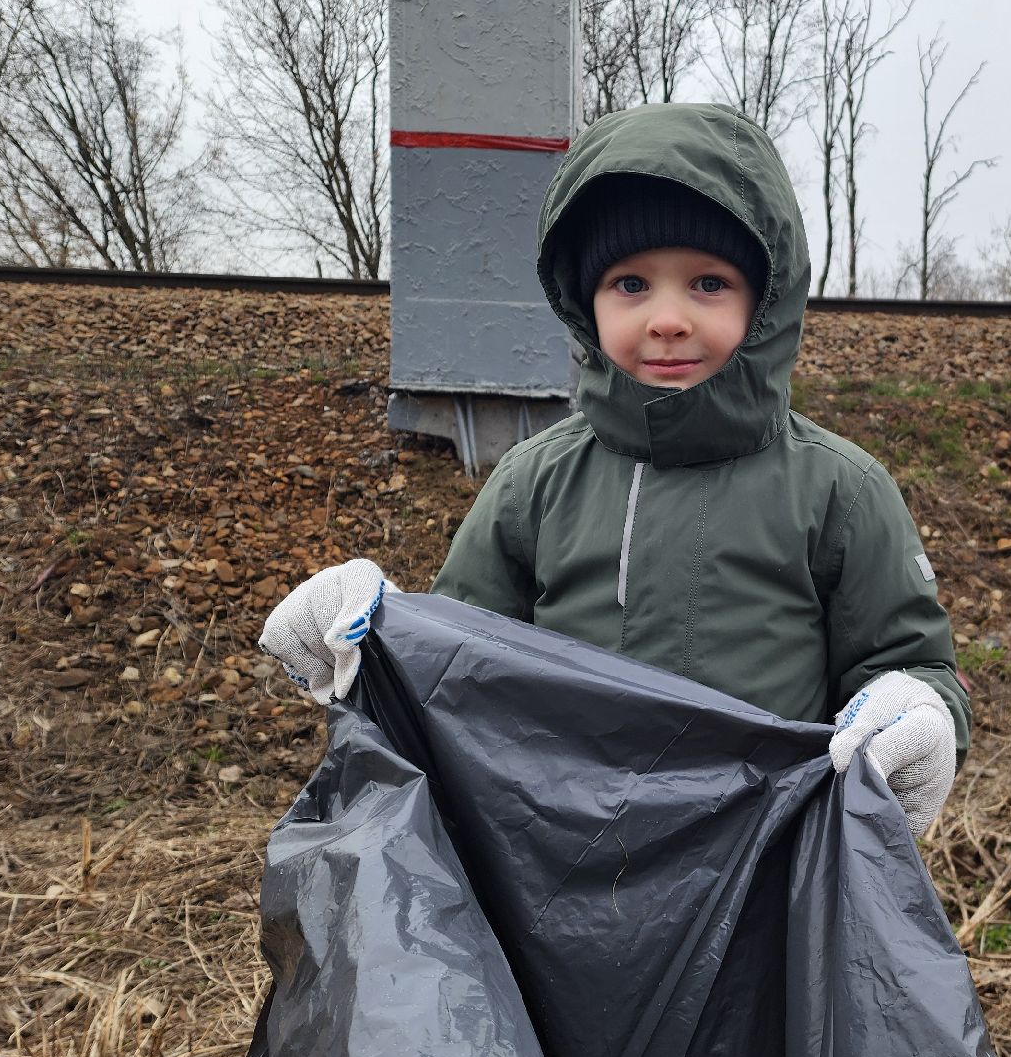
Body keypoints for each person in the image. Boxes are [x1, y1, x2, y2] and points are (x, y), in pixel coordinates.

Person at [260, 103, 969, 837]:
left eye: (708, 284)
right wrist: (370, 640)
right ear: (584, 302)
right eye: (631, 284)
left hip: (764, 878)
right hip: (553, 871)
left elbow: (908, 661)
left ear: (768, 298)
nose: (667, 318)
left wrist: (919, 711)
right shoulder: (532, 483)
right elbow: (456, 675)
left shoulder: (840, 490)